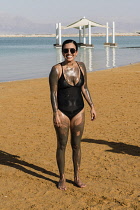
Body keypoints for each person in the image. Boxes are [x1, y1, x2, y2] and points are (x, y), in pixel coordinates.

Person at [49, 39, 96, 190]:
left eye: (72, 50)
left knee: (76, 145)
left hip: (79, 111)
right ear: (62, 52)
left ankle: (76, 177)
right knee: (62, 145)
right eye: (66, 50)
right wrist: (55, 112)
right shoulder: (56, 69)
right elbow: (53, 93)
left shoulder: (81, 66)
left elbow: (84, 88)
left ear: (76, 52)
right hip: (62, 112)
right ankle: (62, 178)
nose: (69, 53)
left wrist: (92, 106)